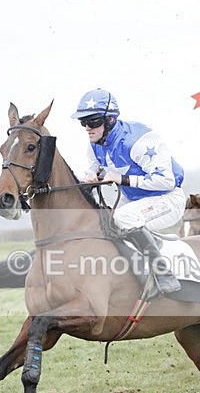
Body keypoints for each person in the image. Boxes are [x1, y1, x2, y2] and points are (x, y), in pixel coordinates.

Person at [73, 89, 186, 295]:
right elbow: (93, 168)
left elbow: (166, 181)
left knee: (124, 217)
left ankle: (164, 275)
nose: (88, 128)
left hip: (168, 198)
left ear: (110, 120)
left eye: (93, 121)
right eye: (83, 122)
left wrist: (122, 179)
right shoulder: (95, 143)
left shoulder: (140, 140)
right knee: (102, 221)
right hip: (135, 200)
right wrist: (90, 177)